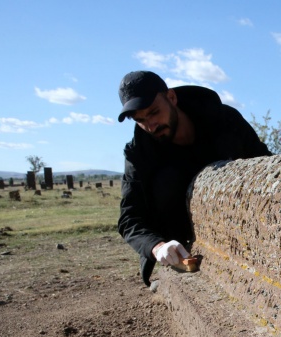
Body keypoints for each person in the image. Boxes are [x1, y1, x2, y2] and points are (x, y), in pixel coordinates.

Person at [116, 70, 271, 286]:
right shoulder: (139, 154)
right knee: (166, 181)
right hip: (180, 250)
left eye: (154, 112)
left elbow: (264, 166)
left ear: (171, 98)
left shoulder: (224, 120)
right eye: (140, 120)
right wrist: (158, 246)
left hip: (237, 237)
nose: (151, 126)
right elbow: (129, 219)